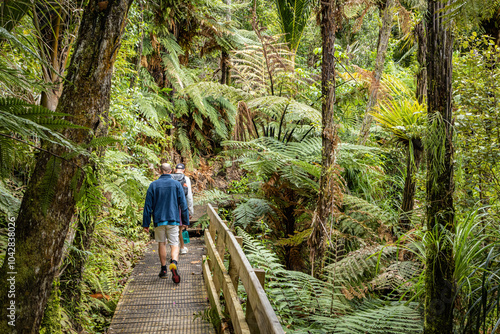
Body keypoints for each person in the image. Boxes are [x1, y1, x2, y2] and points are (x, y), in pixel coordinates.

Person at [142, 163, 189, 283]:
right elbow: (183, 204)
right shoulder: (176, 184)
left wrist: (146, 224)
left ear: (159, 170)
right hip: (173, 219)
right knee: (174, 244)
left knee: (161, 243)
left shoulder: (153, 185)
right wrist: (185, 221)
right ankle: (174, 263)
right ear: (171, 171)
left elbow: (148, 206)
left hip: (158, 220)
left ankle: (163, 270)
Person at [172, 163, 194, 254]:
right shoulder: (186, 179)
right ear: (184, 170)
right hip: (181, 206)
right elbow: (189, 196)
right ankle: (181, 248)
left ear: (175, 169)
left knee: (172, 228)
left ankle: (174, 249)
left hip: (171, 206)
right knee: (180, 228)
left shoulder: (170, 177)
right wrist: (190, 211)